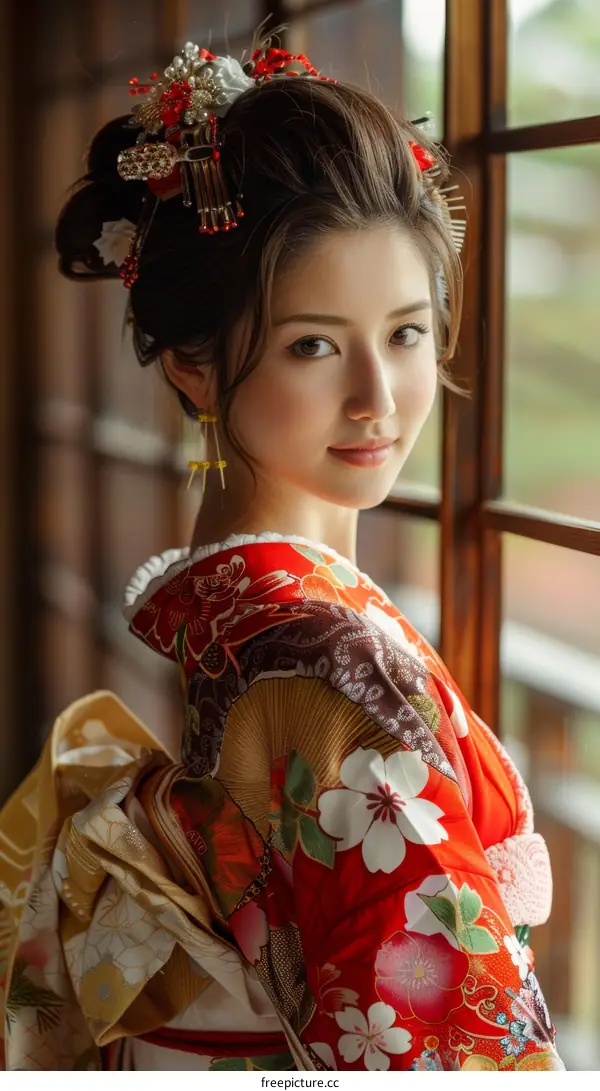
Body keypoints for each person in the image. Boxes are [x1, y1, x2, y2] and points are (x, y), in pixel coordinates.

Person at [0, 30, 564, 1072]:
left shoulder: (234, 607)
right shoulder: (318, 657)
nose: (379, 397)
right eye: (313, 342)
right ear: (194, 366)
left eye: (404, 331)